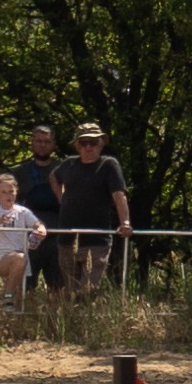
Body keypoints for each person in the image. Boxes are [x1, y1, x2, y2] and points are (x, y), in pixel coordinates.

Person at [53, 122, 131, 289]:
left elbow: (119, 195)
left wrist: (125, 222)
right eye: (84, 142)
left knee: (89, 288)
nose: (88, 147)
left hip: (97, 236)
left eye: (93, 142)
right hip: (68, 237)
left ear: (101, 144)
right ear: (76, 145)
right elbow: (53, 176)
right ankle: (70, 314)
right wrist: (61, 198)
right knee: (70, 287)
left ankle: (86, 313)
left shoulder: (109, 164)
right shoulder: (68, 164)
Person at [11, 124, 67, 295]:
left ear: (53, 145)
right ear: (32, 143)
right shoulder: (19, 172)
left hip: (57, 235)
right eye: (39, 141)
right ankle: (22, 318)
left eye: (47, 141)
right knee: (25, 286)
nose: (43, 145)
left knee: (58, 286)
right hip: (28, 236)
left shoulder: (63, 170)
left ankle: (57, 320)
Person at [0, 173, 46, 309]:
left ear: (16, 193)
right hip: (1, 256)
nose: (8, 195)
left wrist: (41, 230)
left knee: (19, 298)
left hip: (21, 257)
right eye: (3, 192)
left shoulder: (23, 211)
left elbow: (37, 224)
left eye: (11, 192)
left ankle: (11, 324)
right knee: (19, 259)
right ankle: (7, 297)